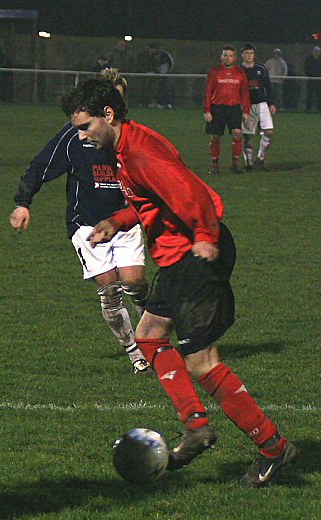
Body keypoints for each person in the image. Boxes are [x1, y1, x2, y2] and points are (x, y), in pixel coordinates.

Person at [61, 77, 298, 488]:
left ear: (109, 116)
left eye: (85, 126)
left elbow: (193, 194)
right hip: (177, 258)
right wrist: (116, 222)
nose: (81, 135)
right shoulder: (125, 147)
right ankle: (195, 426)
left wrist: (205, 236)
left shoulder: (138, 152)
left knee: (202, 362)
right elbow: (152, 201)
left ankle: (274, 448)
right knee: (150, 336)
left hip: (195, 255)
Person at [9, 69, 150, 375]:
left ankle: (153, 332)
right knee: (110, 289)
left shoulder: (133, 136)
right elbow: (41, 164)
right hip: (86, 224)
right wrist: (23, 202)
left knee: (134, 282)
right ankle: (134, 350)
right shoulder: (75, 135)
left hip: (125, 221)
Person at [203, 45, 250, 175]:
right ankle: (215, 165)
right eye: (225, 55)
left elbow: (245, 92)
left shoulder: (240, 73)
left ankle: (235, 163)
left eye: (230, 56)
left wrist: (246, 111)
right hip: (217, 108)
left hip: (234, 108)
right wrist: (207, 110)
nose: (227, 58)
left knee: (237, 133)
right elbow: (207, 92)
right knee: (216, 136)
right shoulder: (214, 71)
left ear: (234, 58)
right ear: (221, 57)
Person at [240, 43, 275, 171]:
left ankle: (261, 157)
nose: (249, 56)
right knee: (248, 135)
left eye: (251, 53)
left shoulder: (261, 68)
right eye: (246, 53)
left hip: (262, 104)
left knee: (269, 131)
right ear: (242, 55)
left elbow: (268, 86)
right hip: (247, 105)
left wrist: (271, 103)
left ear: (254, 55)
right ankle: (248, 162)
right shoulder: (239, 71)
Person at [304, 46, 321, 111]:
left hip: (319, 80)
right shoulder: (309, 60)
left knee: (320, 95)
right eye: (315, 51)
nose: (316, 52)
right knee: (310, 94)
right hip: (311, 79)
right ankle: (308, 108)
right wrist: (310, 75)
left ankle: (320, 108)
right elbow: (306, 68)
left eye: (318, 51)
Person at [155, 44, 174, 108]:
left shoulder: (166, 55)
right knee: (159, 89)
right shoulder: (155, 55)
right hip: (159, 75)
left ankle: (168, 103)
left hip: (166, 75)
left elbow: (171, 64)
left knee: (167, 89)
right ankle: (160, 103)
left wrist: (168, 72)